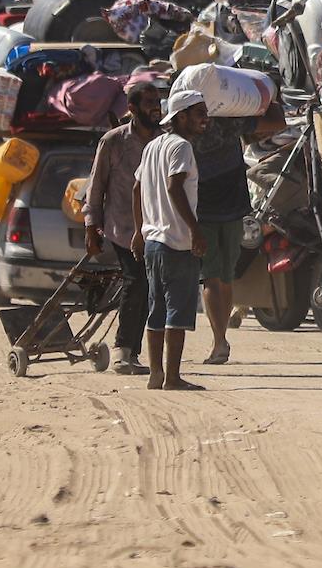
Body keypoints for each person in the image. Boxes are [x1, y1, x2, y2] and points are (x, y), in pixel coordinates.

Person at [188, 97, 285, 366]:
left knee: (212, 277)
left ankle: (219, 341)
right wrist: (269, 95)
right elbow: (278, 120)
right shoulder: (230, 124)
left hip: (205, 212)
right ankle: (219, 340)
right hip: (230, 210)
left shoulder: (186, 128)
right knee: (223, 277)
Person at [86, 73, 165, 374]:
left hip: (156, 228)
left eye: (157, 103)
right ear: (132, 108)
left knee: (151, 288)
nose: (155, 109)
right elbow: (96, 187)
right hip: (123, 228)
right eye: (149, 104)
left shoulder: (164, 140)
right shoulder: (114, 141)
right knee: (137, 282)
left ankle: (133, 352)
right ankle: (123, 349)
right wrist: (91, 226)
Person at [133, 88, 208, 390]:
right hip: (175, 242)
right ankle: (173, 377)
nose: (205, 119)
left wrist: (140, 231)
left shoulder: (152, 147)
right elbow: (175, 187)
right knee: (177, 309)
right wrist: (195, 230)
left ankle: (156, 374)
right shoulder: (181, 147)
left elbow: (136, 189)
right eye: (199, 113)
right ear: (182, 116)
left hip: (153, 241)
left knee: (157, 309)